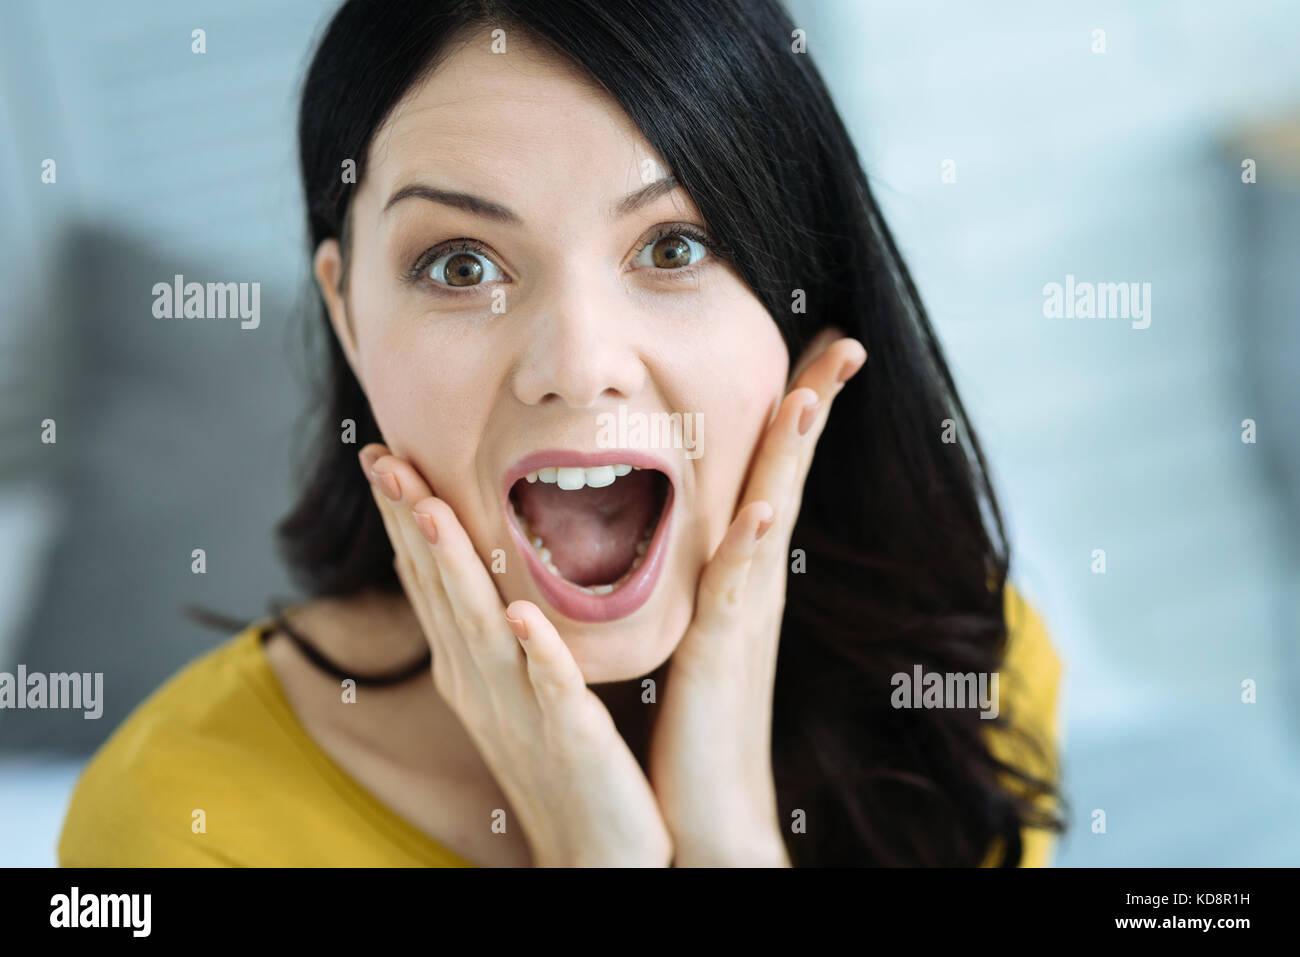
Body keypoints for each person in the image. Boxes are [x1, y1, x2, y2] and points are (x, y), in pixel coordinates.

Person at [59, 0, 1065, 867]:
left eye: (675, 245)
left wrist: (728, 841)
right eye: (461, 265)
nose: (578, 364)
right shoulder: (174, 823)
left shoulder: (965, 680)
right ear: (348, 317)